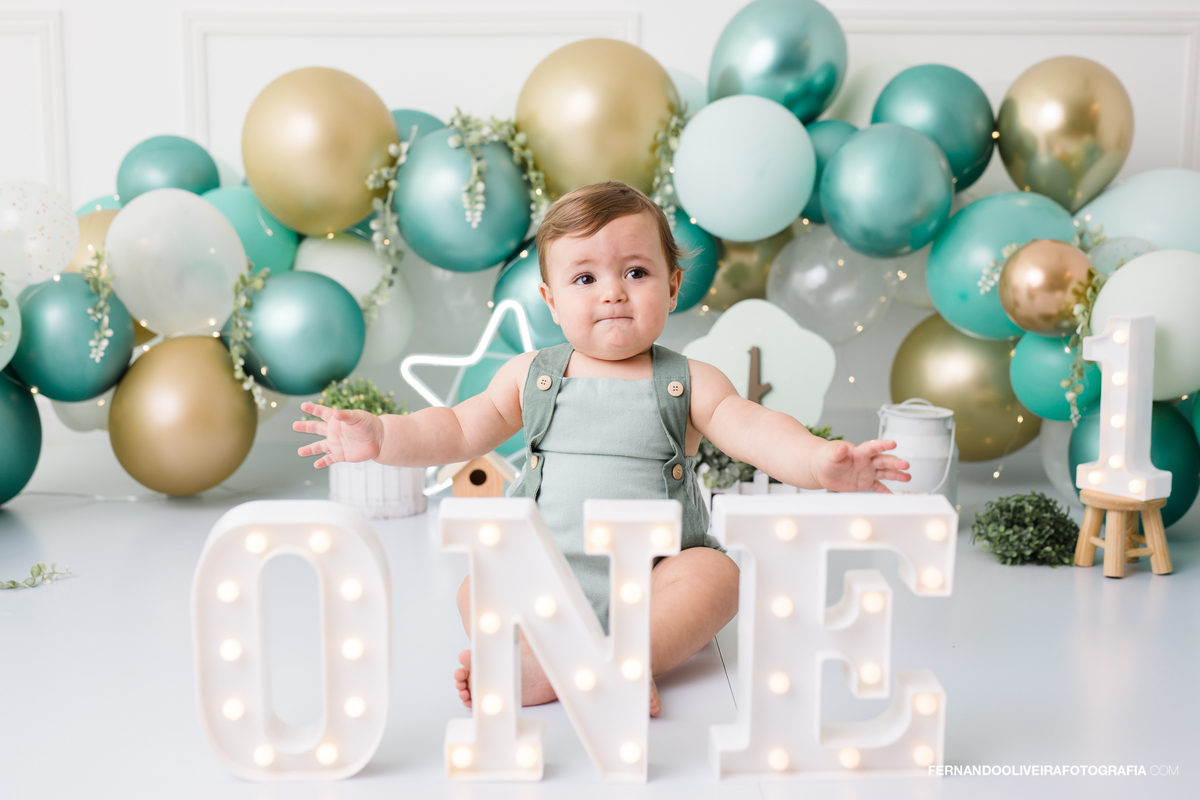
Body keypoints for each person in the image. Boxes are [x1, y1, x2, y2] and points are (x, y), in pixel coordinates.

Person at [294, 181, 910, 717]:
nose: (612, 292)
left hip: (655, 575)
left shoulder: (691, 381)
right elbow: (454, 430)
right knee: (477, 584)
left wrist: (818, 463)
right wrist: (382, 436)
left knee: (718, 576)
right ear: (551, 301)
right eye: (585, 278)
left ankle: (623, 660)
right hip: (544, 569)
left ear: (672, 287)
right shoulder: (530, 374)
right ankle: (535, 659)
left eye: (635, 272)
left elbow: (755, 430)